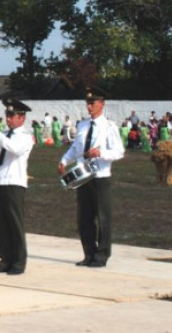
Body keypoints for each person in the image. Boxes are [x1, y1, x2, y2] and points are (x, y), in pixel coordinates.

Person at [58, 88, 125, 268]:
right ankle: (88, 253)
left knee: (102, 217)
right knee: (84, 218)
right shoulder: (83, 125)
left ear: (102, 104)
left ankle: (102, 255)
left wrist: (100, 152)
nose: (89, 106)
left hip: (100, 176)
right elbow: (76, 148)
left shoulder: (109, 127)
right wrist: (64, 161)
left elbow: (119, 152)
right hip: (83, 176)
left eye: (93, 103)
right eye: (87, 103)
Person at [0, 99, 34, 275]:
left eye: (12, 115)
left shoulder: (25, 137)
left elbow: (14, 149)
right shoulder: (3, 136)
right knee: (1, 224)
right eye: (7, 115)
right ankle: (5, 259)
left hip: (15, 183)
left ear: (21, 118)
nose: (8, 119)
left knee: (15, 223)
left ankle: (19, 261)